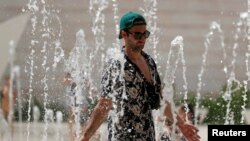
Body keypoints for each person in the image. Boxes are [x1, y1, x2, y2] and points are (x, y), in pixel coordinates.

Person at [80, 11, 200, 141]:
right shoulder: (116, 65)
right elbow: (104, 105)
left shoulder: (149, 62)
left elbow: (161, 101)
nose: (142, 38)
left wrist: (181, 125)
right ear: (124, 34)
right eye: (137, 34)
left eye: (145, 34)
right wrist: (85, 137)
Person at [63, 72, 99, 141]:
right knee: (71, 117)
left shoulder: (80, 75)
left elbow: (87, 84)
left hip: (79, 100)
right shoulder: (70, 75)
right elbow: (64, 81)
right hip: (72, 99)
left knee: (83, 117)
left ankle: (81, 134)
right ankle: (72, 137)